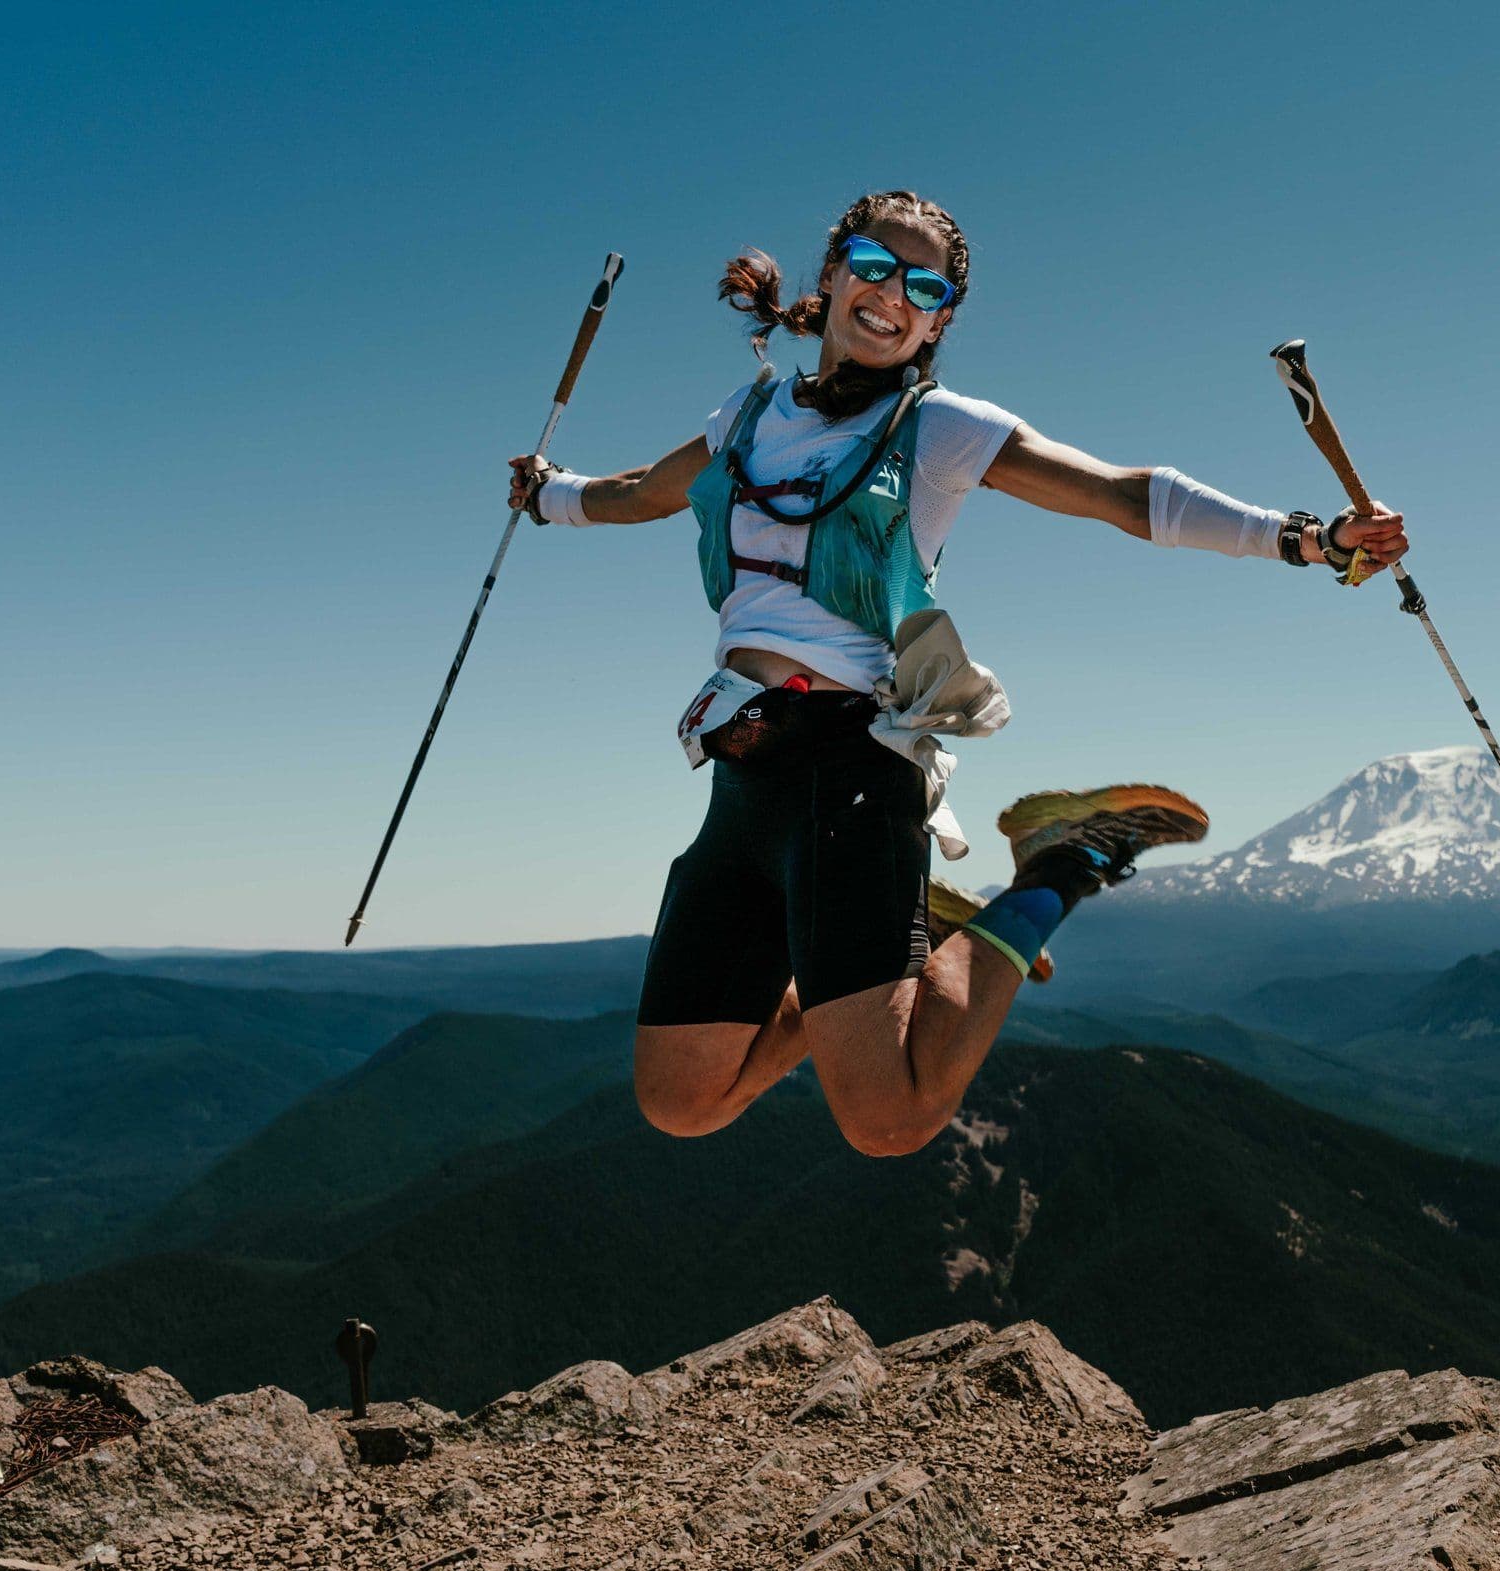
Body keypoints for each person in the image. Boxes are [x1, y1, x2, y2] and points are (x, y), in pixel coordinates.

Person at [509, 189, 1408, 1158]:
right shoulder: (750, 413)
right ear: (832, 269)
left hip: (853, 770)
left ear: (938, 321)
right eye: (875, 263)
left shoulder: (934, 430)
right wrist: (546, 496)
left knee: (889, 1117)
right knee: (680, 1097)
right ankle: (889, 940)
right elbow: (643, 491)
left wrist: (1305, 538)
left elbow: (1121, 493)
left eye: (924, 285)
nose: (893, 293)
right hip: (742, 775)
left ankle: (1058, 864)